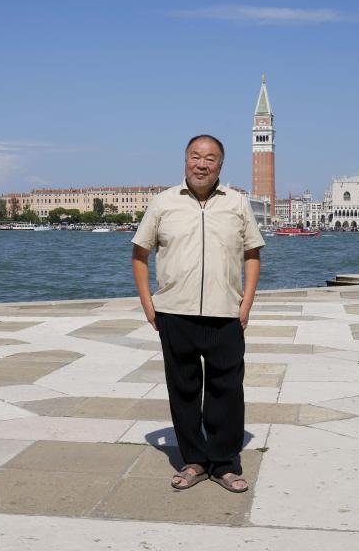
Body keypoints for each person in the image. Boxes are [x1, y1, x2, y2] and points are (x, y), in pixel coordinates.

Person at [131, 134, 264, 493]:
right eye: (195, 156)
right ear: (185, 160)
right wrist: (148, 304)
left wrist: (246, 303)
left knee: (227, 391)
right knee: (184, 390)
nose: (201, 164)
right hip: (175, 313)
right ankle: (194, 460)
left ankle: (224, 463)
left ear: (220, 165)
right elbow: (139, 254)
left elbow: (252, 255)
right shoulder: (163, 203)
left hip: (225, 314)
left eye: (210, 158)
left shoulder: (237, 203)